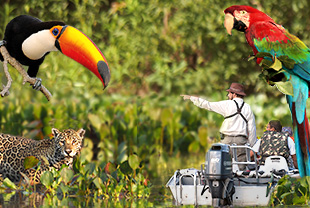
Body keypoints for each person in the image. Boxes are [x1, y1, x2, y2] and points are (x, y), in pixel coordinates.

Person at [181, 83, 257, 170]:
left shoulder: (227, 104)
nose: (228, 95)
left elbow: (208, 105)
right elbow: (252, 129)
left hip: (226, 140)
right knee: (241, 167)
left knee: (224, 165)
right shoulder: (247, 108)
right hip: (241, 141)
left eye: (229, 93)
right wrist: (252, 146)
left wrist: (191, 98)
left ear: (234, 94)